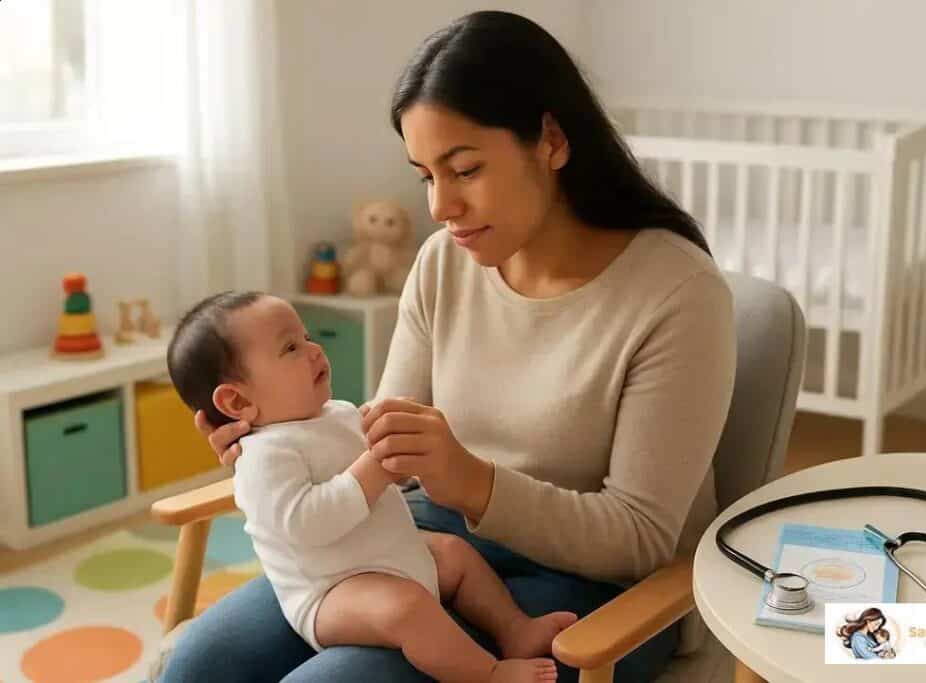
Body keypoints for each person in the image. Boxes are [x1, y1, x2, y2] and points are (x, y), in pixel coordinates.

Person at [159, 9, 735, 682]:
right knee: (200, 663)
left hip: (588, 585)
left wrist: (474, 481)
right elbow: (385, 441)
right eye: (426, 175)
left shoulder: (676, 292)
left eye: (463, 169)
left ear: (550, 139)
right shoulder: (444, 264)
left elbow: (640, 536)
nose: (439, 207)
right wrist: (277, 448)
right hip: (414, 539)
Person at [165, 291, 574, 682]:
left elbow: (385, 469)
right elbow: (307, 524)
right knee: (407, 610)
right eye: (290, 348)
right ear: (237, 404)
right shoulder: (263, 457)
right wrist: (376, 467)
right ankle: (489, 674)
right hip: (331, 591)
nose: (314, 349)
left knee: (454, 554)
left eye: (306, 337)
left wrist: (396, 455)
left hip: (391, 551)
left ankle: (516, 629)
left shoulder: (334, 413)